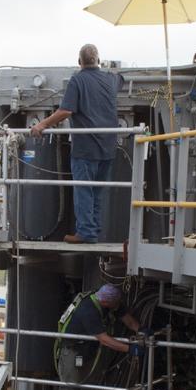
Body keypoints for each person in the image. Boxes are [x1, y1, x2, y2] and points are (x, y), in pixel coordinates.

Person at [29, 43, 122, 244]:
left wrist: (42, 124)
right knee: (97, 191)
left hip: (86, 147)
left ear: (79, 62)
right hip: (108, 146)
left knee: (83, 190)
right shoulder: (110, 79)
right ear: (98, 60)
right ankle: (94, 230)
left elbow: (66, 111)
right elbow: (120, 78)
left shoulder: (77, 80)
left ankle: (86, 233)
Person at [53, 283, 140, 390]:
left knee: (91, 386)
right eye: (115, 304)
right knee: (69, 386)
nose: (118, 306)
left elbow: (127, 319)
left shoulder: (108, 302)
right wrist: (130, 349)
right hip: (73, 351)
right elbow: (104, 339)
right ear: (106, 302)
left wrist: (141, 329)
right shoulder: (88, 310)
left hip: (89, 352)